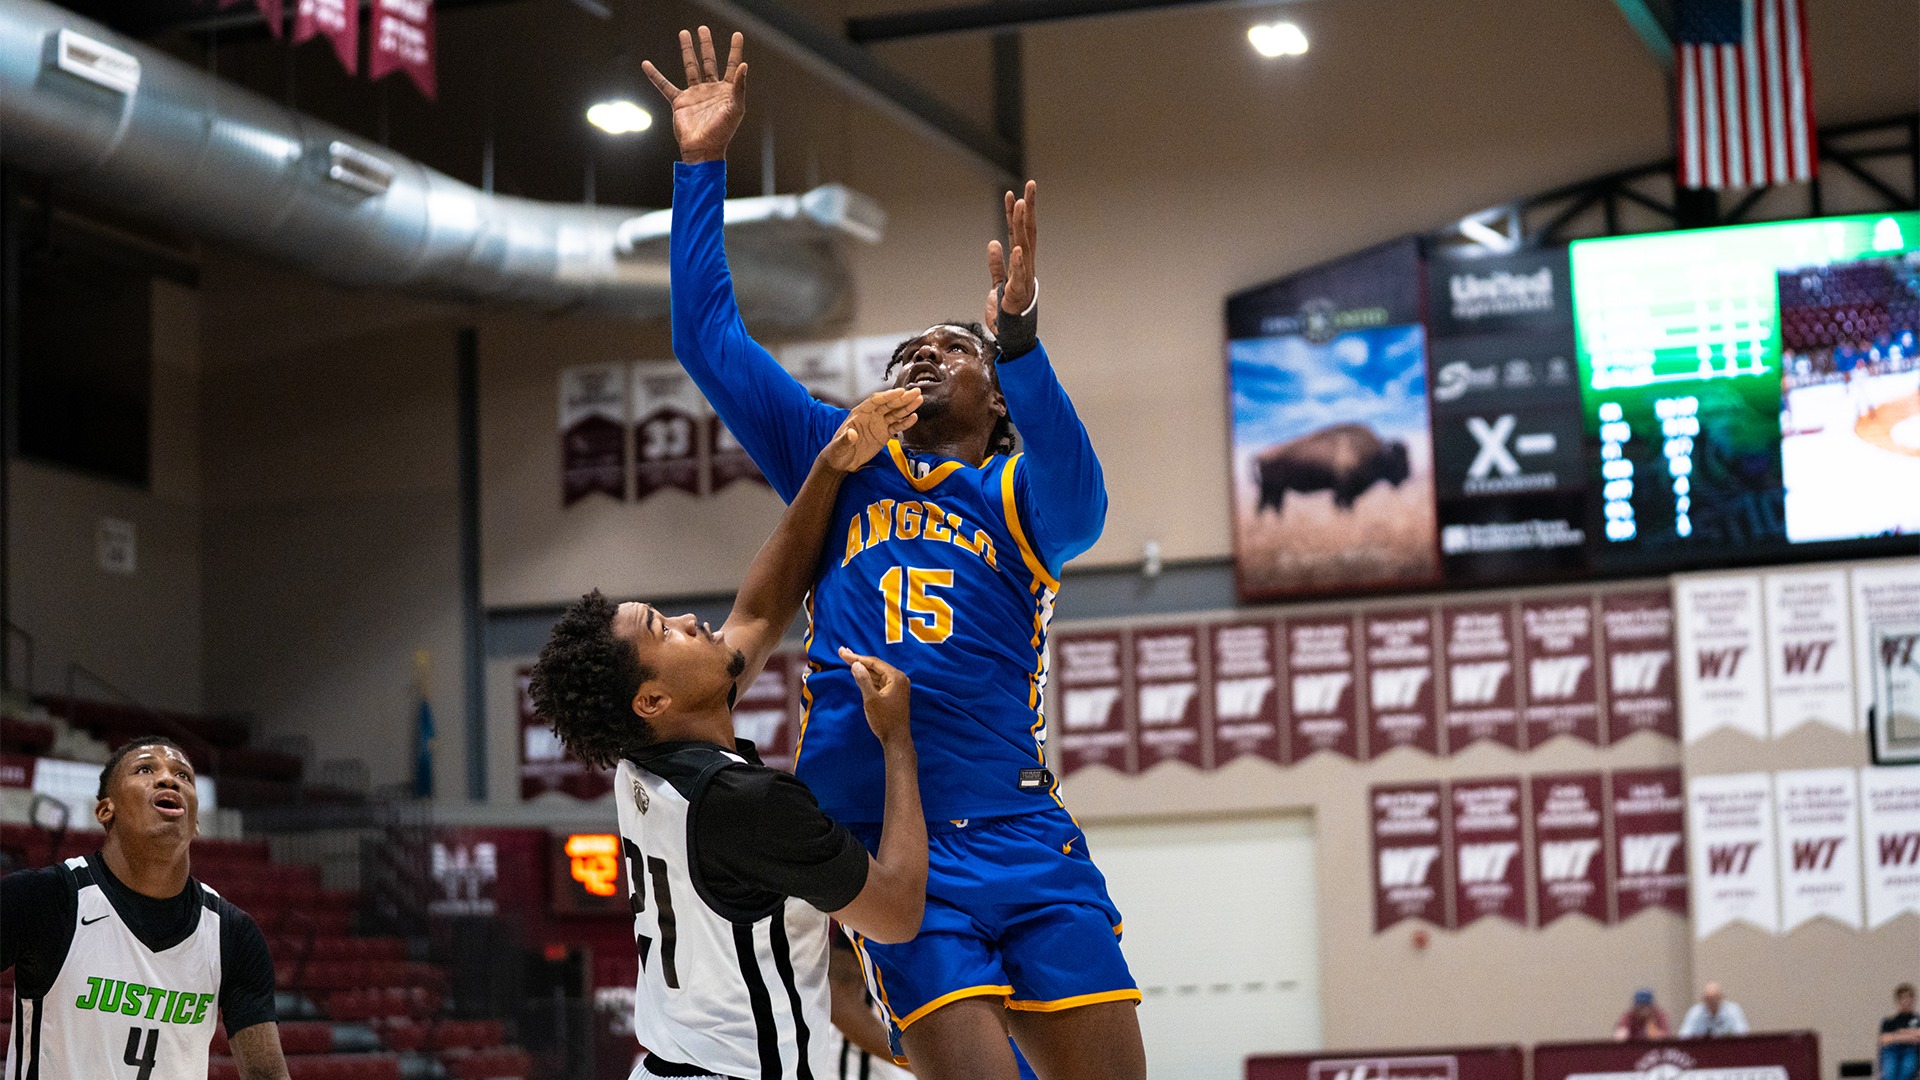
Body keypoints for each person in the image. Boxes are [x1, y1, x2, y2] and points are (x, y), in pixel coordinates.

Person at [644, 28, 1144, 1080]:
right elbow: (708, 340)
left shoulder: (1016, 491)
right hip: (889, 838)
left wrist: (1017, 334)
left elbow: (1087, 504)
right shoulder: (840, 453)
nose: (924, 351)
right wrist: (701, 167)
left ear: (998, 398)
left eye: (951, 348)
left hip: (1018, 824)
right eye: (908, 346)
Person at [528, 389, 931, 1080]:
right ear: (651, 698)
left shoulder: (641, 757)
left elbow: (762, 609)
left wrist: (832, 466)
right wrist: (898, 742)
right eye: (665, 631)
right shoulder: (747, 804)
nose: (689, 620)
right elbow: (895, 911)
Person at [0, 737, 290, 1080]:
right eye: (145, 769)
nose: (169, 779)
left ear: (195, 821)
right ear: (106, 810)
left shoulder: (232, 934)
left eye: (183, 776)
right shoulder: (46, 898)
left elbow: (267, 1075)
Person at [1677, 981, 1749, 1038]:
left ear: (1721, 998)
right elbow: (1683, 1036)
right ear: (1703, 999)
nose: (1712, 1002)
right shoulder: (1695, 1012)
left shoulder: (1733, 1010)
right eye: (1708, 999)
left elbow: (1743, 1033)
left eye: (1715, 998)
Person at [1882, 983, 1920, 1080]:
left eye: (1908, 998)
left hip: (1911, 1051)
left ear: (1913, 1000)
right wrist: (1909, 1035)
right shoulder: (1890, 1021)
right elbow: (1884, 1039)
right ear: (1898, 1000)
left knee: (1906, 1069)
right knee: (1890, 1071)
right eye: (1903, 998)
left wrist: (1898, 1034)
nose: (1906, 1001)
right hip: (1892, 1051)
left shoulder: (1917, 1019)